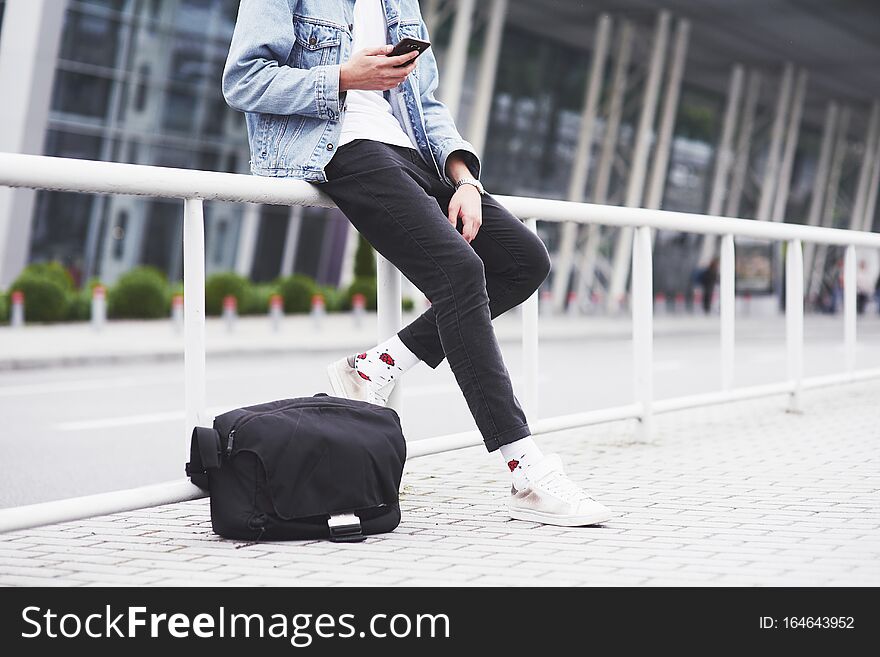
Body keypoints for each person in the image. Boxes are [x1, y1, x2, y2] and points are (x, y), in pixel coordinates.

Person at [222, 0, 612, 527]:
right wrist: (341, 77)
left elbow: (424, 102)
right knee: (459, 271)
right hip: (339, 146)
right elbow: (244, 80)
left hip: (413, 155)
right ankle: (524, 471)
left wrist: (465, 178)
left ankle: (378, 365)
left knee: (524, 261)